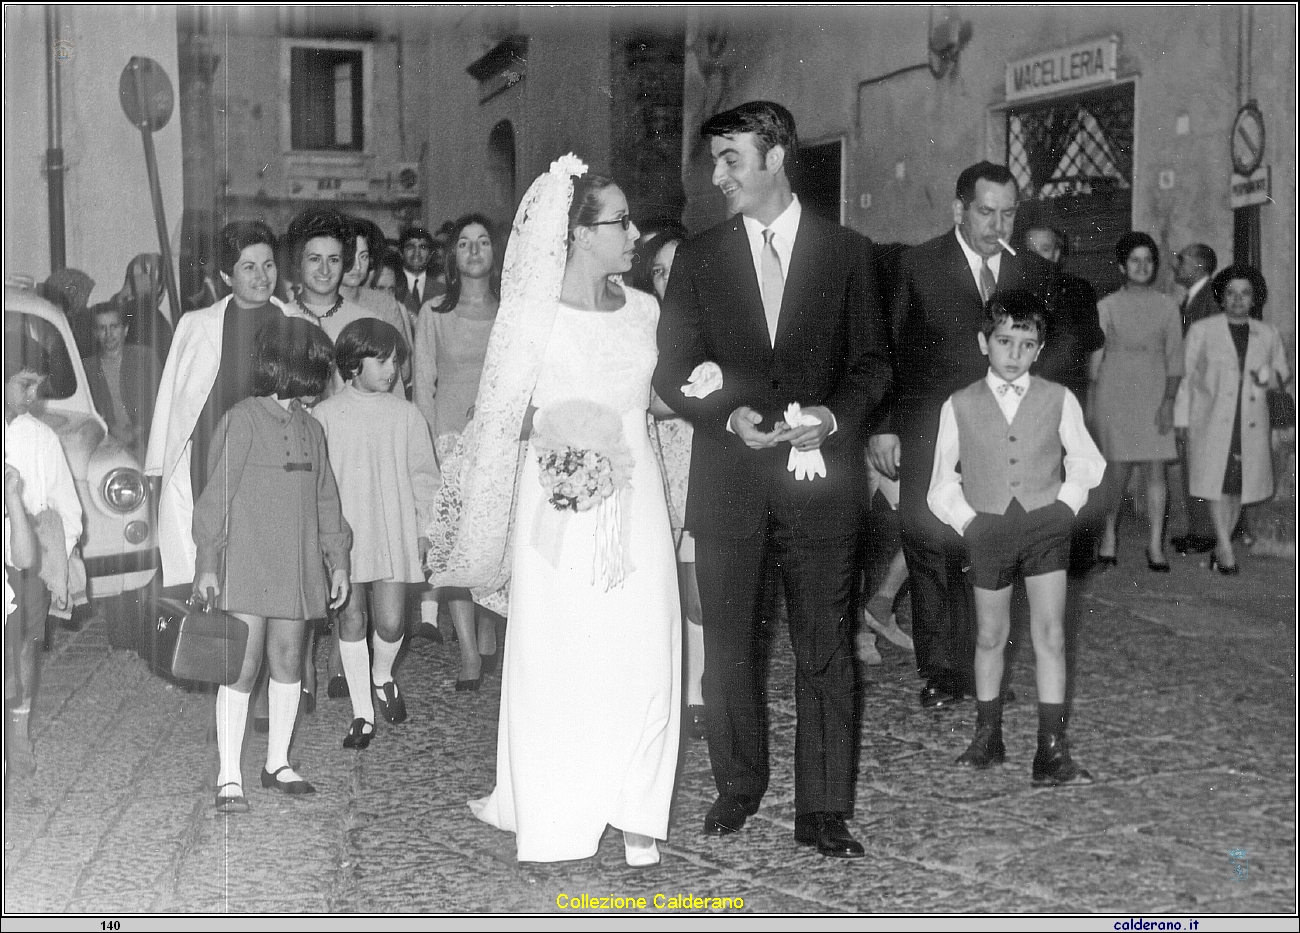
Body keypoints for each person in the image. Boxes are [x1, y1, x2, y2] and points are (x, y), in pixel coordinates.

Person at [429, 157, 681, 866]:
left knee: (646, 645)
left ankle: (637, 808)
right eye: (619, 222)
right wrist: (566, 438)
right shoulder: (532, 315)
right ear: (576, 234)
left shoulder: (645, 309)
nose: (634, 233)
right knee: (564, 650)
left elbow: (651, 399)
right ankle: (558, 807)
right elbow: (502, 414)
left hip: (637, 504)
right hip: (560, 499)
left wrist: (708, 388)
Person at [653, 101, 889, 858]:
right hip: (730, 486)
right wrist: (727, 415)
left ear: (777, 156)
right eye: (714, 161)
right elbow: (673, 366)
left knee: (825, 645)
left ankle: (823, 809)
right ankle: (738, 784)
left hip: (821, 488)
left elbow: (874, 363)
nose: (718, 176)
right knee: (728, 645)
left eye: (732, 159)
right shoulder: (698, 257)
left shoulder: (850, 253)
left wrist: (832, 416)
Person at [868, 161, 1059, 711]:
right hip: (930, 430)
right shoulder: (918, 265)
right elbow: (887, 349)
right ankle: (943, 672)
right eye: (985, 212)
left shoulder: (1032, 275)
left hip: (1006, 438)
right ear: (959, 209)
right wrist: (884, 425)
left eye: (1007, 213)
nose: (997, 224)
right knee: (929, 548)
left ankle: (987, 667)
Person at [927, 291, 1104, 785]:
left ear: (1040, 349)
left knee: (1049, 633)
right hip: (989, 530)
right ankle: (987, 734)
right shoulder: (959, 404)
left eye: (1026, 345)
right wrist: (968, 521)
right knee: (990, 635)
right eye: (1004, 341)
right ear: (984, 342)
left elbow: (1087, 461)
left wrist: (1065, 506)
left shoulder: (1058, 398)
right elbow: (941, 481)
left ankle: (1051, 747)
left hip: (1045, 528)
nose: (1014, 354)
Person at [193, 318, 351, 812]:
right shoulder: (243, 419)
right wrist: (208, 560)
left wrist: (338, 560)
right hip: (248, 561)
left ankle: (277, 762)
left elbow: (327, 499)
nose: (324, 379)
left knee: (288, 661)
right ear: (289, 368)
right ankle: (228, 775)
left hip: (297, 565)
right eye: (317, 368)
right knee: (241, 666)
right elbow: (215, 495)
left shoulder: (313, 427)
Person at [147, 220, 309, 591]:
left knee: (264, 561)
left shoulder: (295, 323)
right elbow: (173, 400)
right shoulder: (196, 325)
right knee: (212, 561)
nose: (262, 276)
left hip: (271, 459)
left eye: (268, 265)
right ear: (225, 274)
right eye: (248, 267)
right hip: (211, 459)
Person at [313, 319, 439, 748]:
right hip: (346, 535)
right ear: (352, 364)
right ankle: (362, 713)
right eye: (381, 360)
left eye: (395, 360)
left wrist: (426, 529)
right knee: (351, 618)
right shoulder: (326, 414)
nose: (392, 370)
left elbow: (425, 476)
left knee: (389, 621)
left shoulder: (406, 414)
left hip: (391, 528)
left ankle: (382, 675)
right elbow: (317, 482)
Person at [412, 214, 501, 685]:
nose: (473, 250)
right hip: (449, 444)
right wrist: (425, 450)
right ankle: (469, 651)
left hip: (500, 443)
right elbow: (423, 386)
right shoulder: (434, 314)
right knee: (458, 549)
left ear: (494, 253)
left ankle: (488, 634)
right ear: (453, 256)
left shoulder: (511, 312)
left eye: (483, 242)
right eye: (464, 243)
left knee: (495, 543)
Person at [637, 224, 707, 740]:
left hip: (702, 459)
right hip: (656, 458)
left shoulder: (718, 320)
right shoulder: (641, 323)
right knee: (665, 586)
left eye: (676, 267)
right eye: (658, 271)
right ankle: (671, 690)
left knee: (700, 586)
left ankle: (701, 689)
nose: (667, 279)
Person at [1174, 264, 1290, 574]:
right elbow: (1187, 377)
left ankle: (1220, 547)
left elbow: (1282, 372)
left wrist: (1269, 377)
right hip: (1210, 419)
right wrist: (1182, 419)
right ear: (1222, 298)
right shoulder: (1203, 330)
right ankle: (1224, 547)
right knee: (1216, 482)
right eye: (1231, 293)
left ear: (1254, 299)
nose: (1238, 299)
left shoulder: (1267, 333)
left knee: (1238, 485)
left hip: (1249, 420)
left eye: (1245, 294)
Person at [4, 343, 83, 776]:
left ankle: (18, 738)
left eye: (37, 385)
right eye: (23, 384)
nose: (32, 394)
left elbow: (67, 507)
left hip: (27, 558)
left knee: (24, 650)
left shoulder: (41, 437)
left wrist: (55, 556)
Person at [1091, 232, 1183, 572]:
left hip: (1154, 393)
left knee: (1155, 471)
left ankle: (1156, 545)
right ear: (1121, 266)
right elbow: (1095, 362)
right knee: (1115, 473)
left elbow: (1176, 360)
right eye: (1135, 260)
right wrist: (1090, 405)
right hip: (1115, 394)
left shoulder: (1168, 307)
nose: (1142, 266)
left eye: (1148, 261)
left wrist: (1169, 401)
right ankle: (1108, 537)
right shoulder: (1106, 306)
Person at [1170, 244, 1220, 555]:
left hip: (1201, 396)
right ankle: (1199, 530)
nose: (1176, 265)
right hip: (1192, 393)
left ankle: (1205, 533)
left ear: (1200, 265)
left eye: (1182, 260)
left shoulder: (1209, 300)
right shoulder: (1193, 300)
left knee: (1199, 463)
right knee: (1192, 463)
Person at [339, 216, 415, 388]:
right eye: (349, 256)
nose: (357, 266)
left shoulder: (385, 304)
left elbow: (404, 368)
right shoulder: (323, 303)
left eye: (364, 256)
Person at [82, 302, 161, 463]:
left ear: (125, 330)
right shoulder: (87, 368)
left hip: (149, 444)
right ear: (95, 333)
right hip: (107, 449)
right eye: (102, 328)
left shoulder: (145, 358)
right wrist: (111, 431)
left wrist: (136, 432)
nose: (108, 334)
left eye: (114, 327)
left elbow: (162, 403)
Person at [112, 253, 174, 361]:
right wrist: (123, 294)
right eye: (134, 278)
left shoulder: (153, 319)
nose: (138, 282)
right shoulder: (129, 312)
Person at [394, 226, 438, 321]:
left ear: (430, 254)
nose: (416, 253)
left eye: (422, 247)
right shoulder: (391, 287)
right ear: (401, 253)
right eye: (410, 247)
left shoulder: (442, 290)